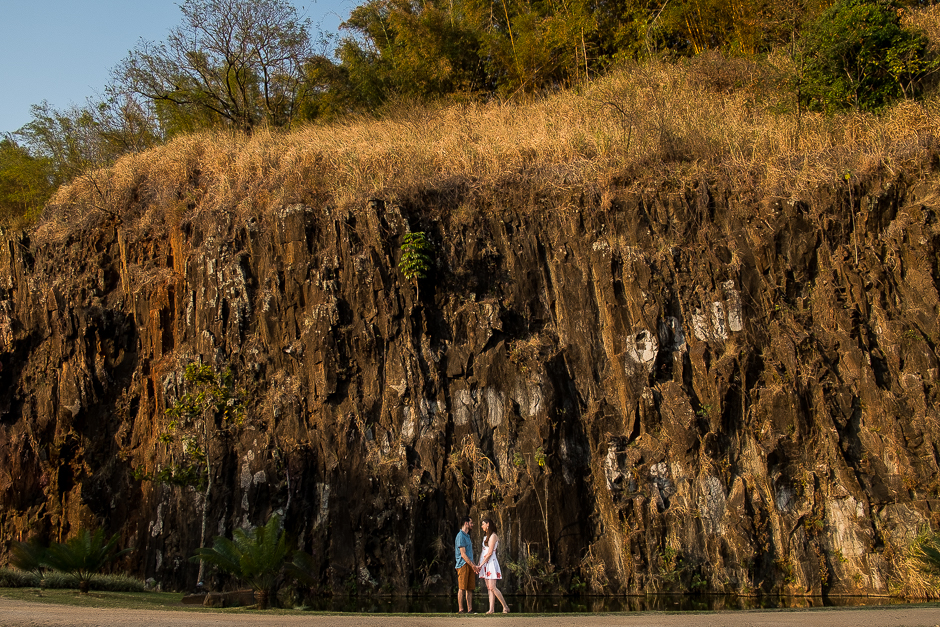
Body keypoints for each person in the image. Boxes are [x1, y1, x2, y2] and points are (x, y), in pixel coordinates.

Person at [477, 517, 510, 614]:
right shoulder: (485, 537)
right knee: (488, 587)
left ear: (488, 524)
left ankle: (505, 606)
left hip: (490, 562)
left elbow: (490, 552)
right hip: (484, 562)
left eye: (483, 524)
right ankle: (491, 609)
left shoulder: (493, 536)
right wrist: (479, 563)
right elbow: (483, 551)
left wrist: (481, 564)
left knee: (492, 586)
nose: (482, 526)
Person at [454, 515, 478, 613]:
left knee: (470, 588)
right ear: (466, 523)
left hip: (470, 564)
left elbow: (469, 553)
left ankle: (470, 609)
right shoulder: (460, 536)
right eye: (471, 523)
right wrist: (473, 565)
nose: (472, 524)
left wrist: (474, 565)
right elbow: (463, 554)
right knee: (462, 588)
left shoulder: (467, 536)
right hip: (463, 564)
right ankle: (461, 609)